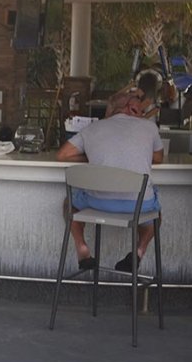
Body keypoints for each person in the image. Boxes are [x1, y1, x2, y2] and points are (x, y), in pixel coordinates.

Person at [55, 89, 166, 271]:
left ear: (112, 109)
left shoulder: (93, 128)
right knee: (156, 216)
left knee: (69, 203)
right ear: (131, 108)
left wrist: (89, 156)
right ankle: (138, 251)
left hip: (97, 203)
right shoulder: (149, 127)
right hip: (138, 206)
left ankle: (82, 248)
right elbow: (159, 158)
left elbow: (62, 155)